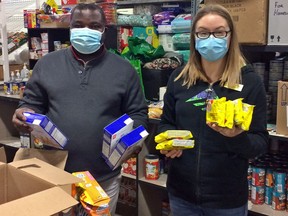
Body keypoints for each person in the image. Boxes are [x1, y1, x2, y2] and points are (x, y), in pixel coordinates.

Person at [12, 3, 147, 215]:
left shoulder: (123, 69)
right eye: (79, 25)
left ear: (104, 30)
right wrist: (23, 113)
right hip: (56, 173)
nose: (86, 31)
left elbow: (138, 112)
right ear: (70, 27)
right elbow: (31, 103)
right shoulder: (47, 64)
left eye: (94, 26)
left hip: (104, 176)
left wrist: (132, 140)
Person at [158, 4, 269, 216]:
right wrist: (168, 142)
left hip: (227, 200)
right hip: (181, 195)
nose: (211, 38)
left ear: (230, 36)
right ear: (194, 37)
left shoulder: (250, 82)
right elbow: (166, 123)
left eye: (219, 32)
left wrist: (236, 137)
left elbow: (260, 143)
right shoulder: (179, 79)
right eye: (203, 32)